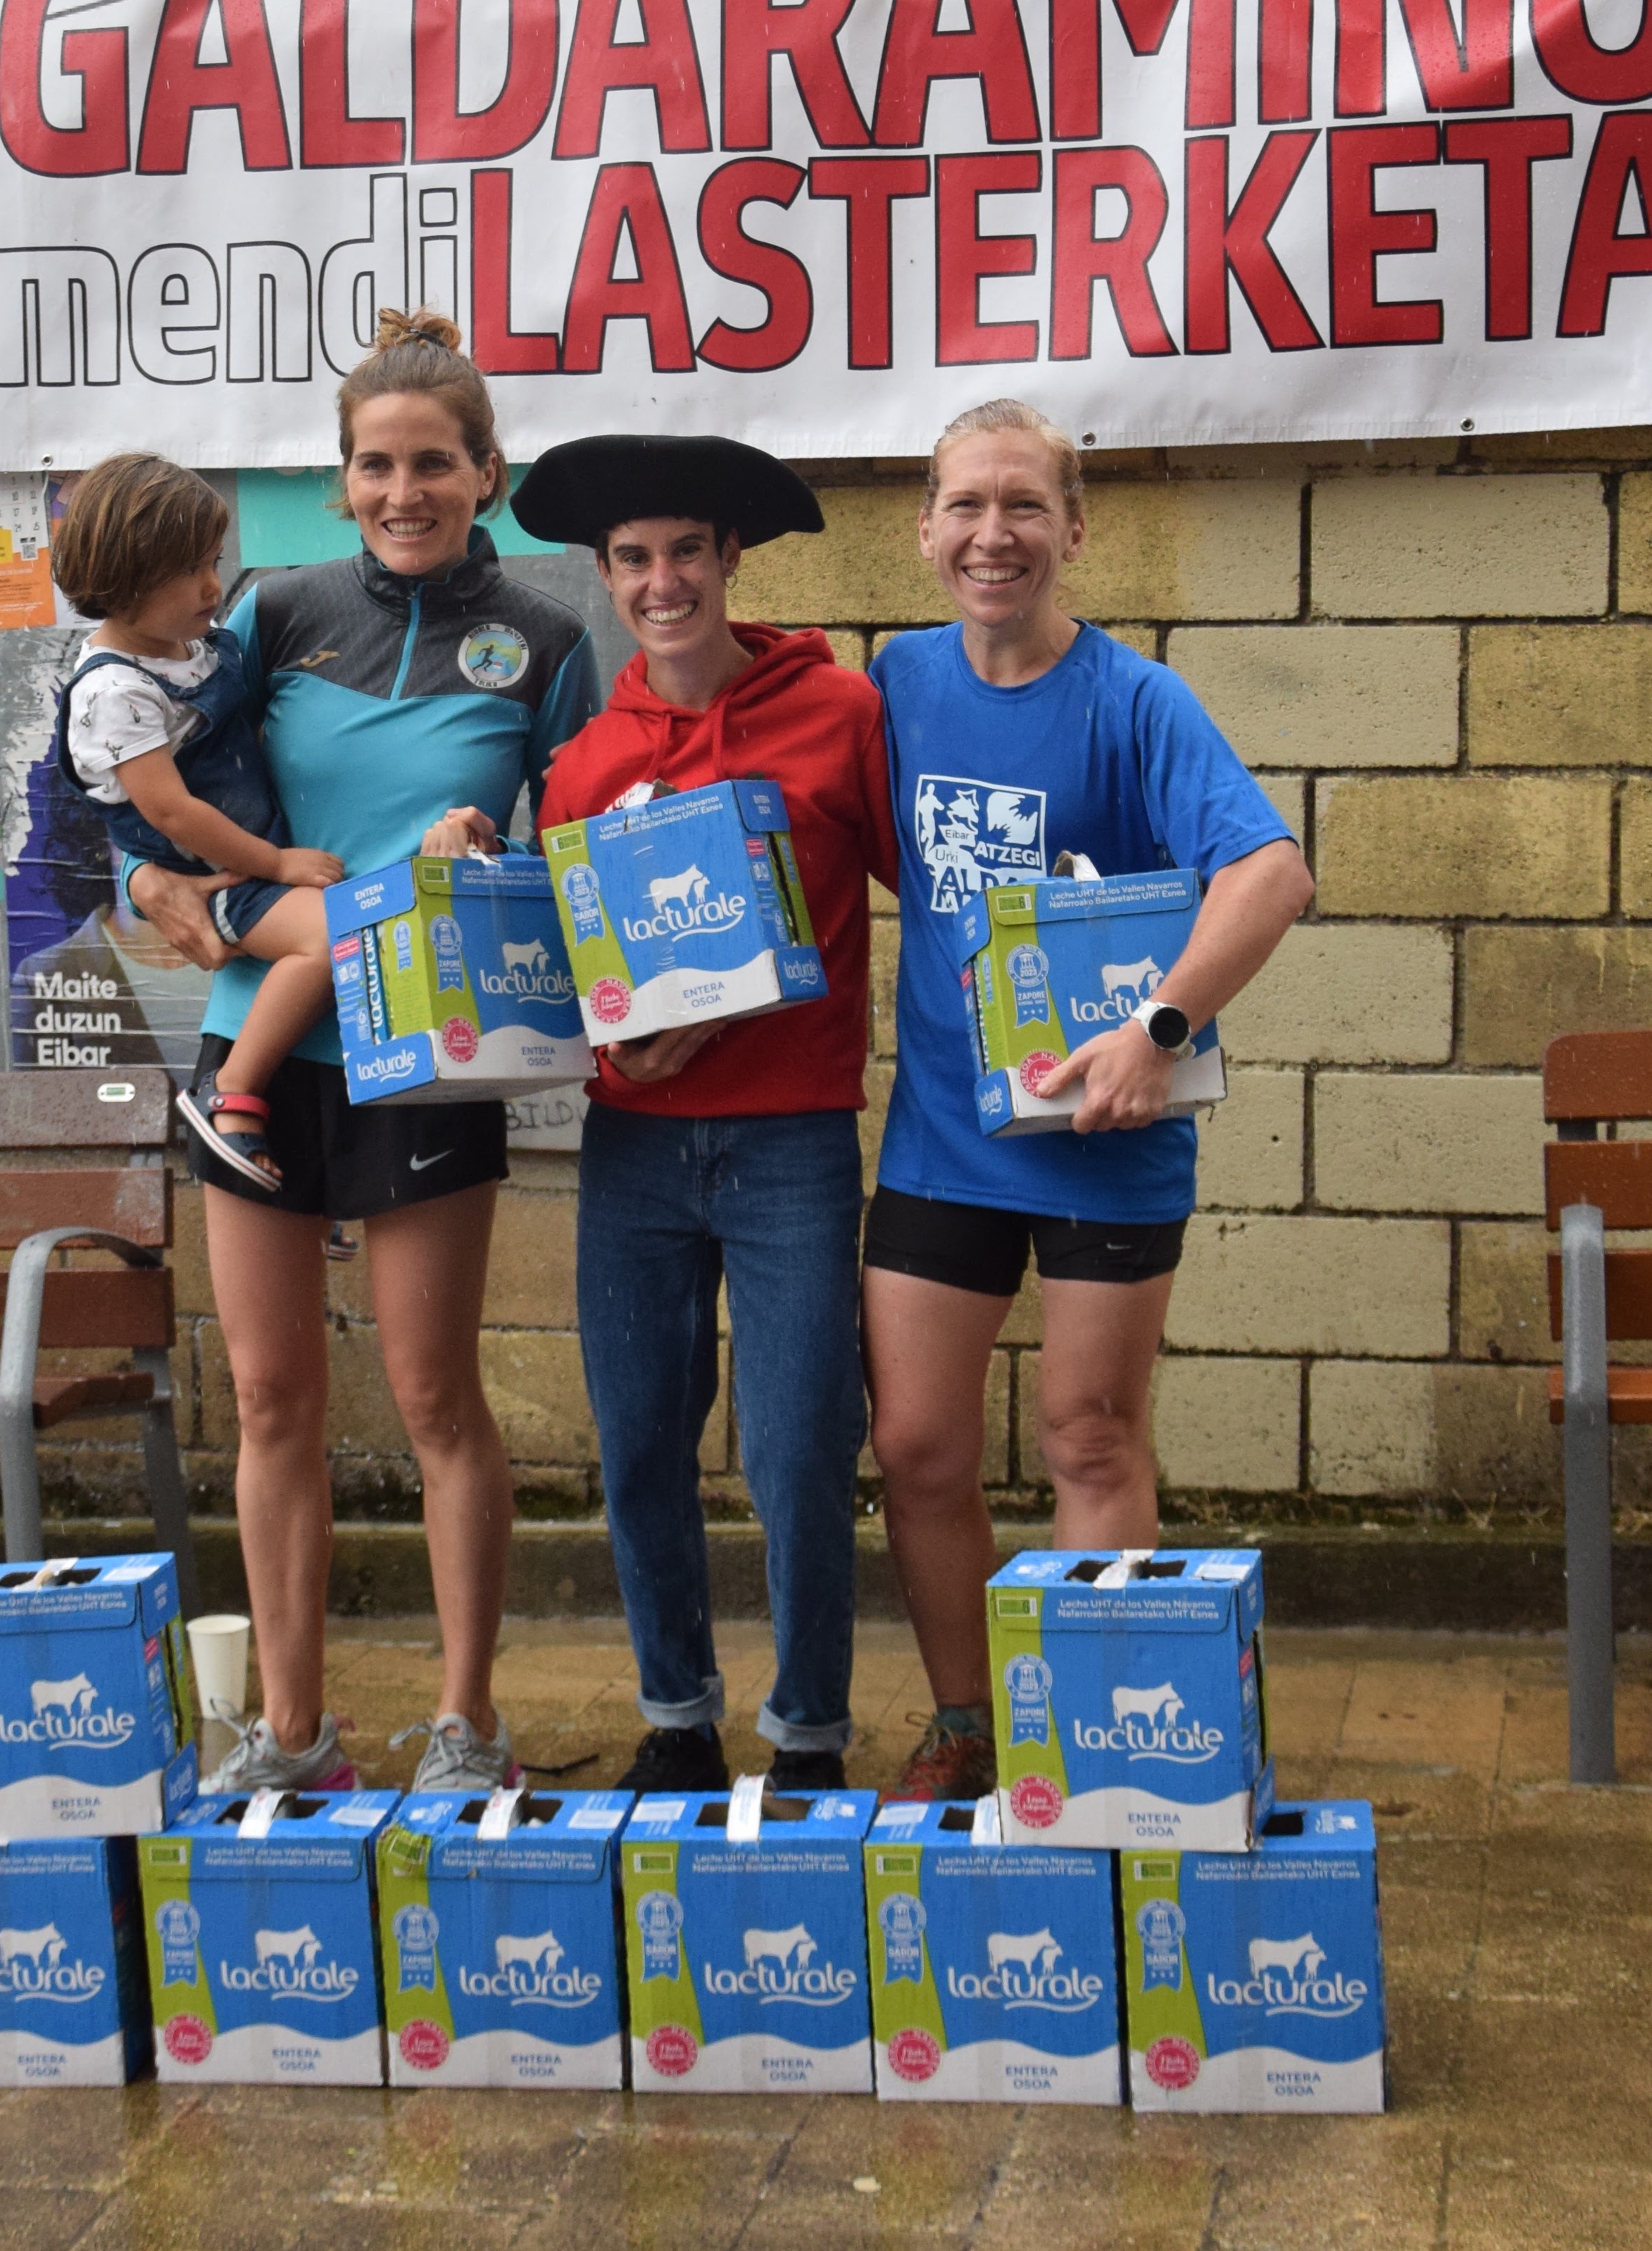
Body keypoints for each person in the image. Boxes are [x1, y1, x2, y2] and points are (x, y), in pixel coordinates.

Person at [125, 311, 595, 1802]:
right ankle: (294, 1732)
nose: (405, 492)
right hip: (254, 1052)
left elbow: (582, 866)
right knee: (271, 1402)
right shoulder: (271, 612)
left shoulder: (551, 642)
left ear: (486, 474)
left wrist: (490, 855)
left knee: (436, 1402)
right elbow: (154, 792)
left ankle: (467, 1725)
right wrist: (143, 882)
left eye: (434, 464)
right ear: (341, 480)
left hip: (429, 1053)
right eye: (377, 466)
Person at [865, 399, 1313, 1804]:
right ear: (924, 530)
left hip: (1108, 1145)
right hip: (944, 1139)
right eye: (964, 505)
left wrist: (1155, 1029)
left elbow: (1270, 875)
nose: (991, 535)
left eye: (1022, 506)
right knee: (917, 1447)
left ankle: (1099, 1744)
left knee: (1088, 1436)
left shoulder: (1136, 700)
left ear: (1072, 528)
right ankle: (967, 1722)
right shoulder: (893, 683)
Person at [516, 431, 899, 1797]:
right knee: (637, 1445)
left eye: (686, 551)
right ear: (603, 572)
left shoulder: (840, 715)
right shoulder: (582, 765)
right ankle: (676, 1712)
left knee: (799, 1450)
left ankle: (808, 1733)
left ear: (731, 558)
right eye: (632, 558)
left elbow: (927, 886)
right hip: (633, 1150)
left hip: (792, 1141)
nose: (661, 581)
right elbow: (568, 970)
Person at [50, 454, 349, 1192]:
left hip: (249, 859)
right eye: (188, 572)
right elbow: (170, 811)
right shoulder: (114, 691)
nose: (213, 587)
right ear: (123, 578)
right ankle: (230, 1093)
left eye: (212, 561)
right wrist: (275, 865)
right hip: (217, 879)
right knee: (330, 938)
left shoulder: (195, 648)